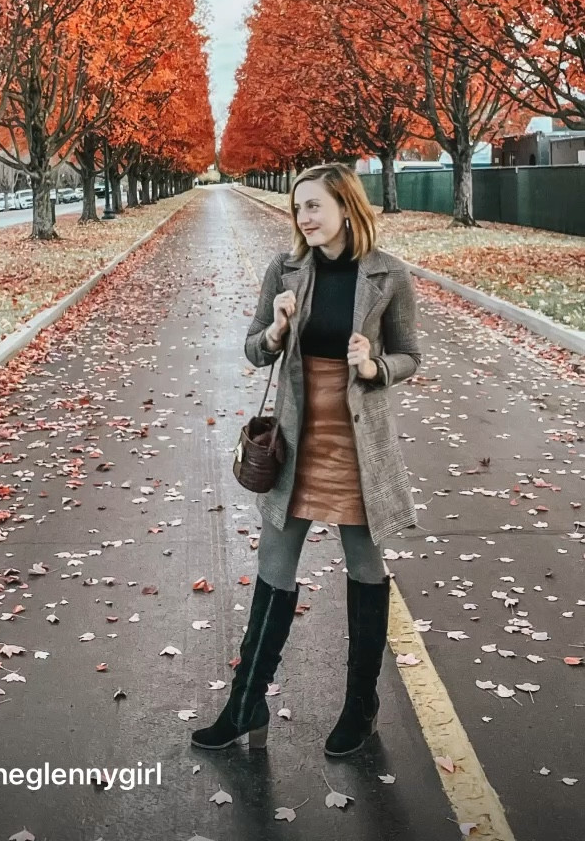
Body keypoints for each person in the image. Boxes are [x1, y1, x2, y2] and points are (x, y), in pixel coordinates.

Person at [191, 162, 421, 757]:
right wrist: (274, 331)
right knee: (275, 564)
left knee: (365, 569)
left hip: (356, 442)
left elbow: (410, 356)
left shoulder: (390, 276)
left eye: (314, 206)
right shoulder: (286, 270)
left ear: (347, 205)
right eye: (299, 208)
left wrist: (374, 367)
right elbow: (252, 348)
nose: (304, 218)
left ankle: (359, 706)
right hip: (296, 438)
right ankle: (246, 706)